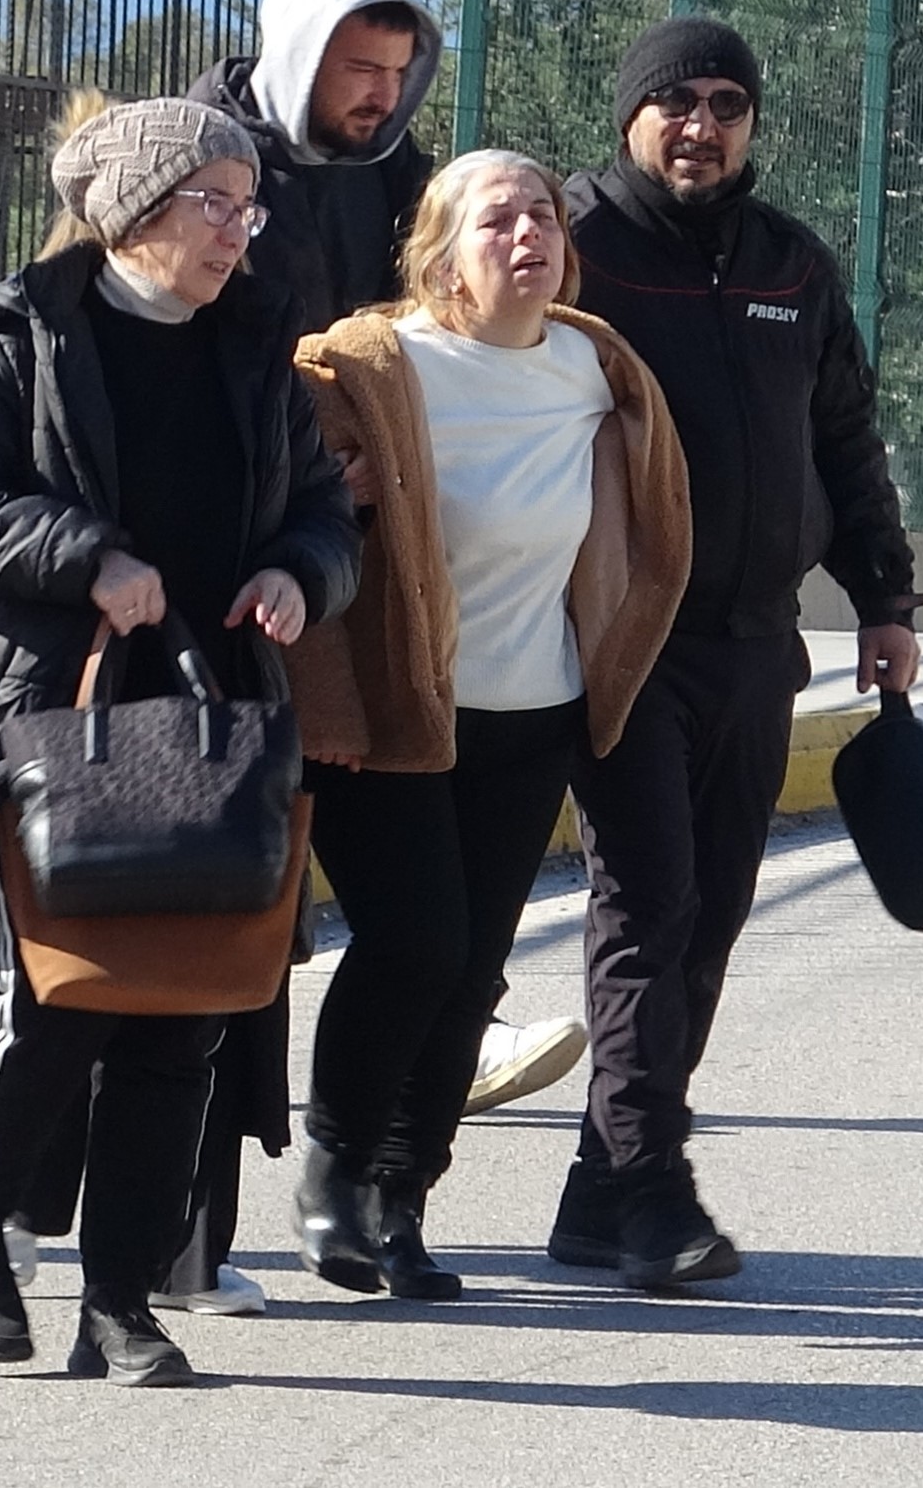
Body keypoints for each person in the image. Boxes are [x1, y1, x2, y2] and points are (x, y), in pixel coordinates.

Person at [0, 96, 359, 1386]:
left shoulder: (255, 348)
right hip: (47, 723)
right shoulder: (19, 340)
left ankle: (120, 1301)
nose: (238, 232)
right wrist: (87, 555)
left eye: (248, 207)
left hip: (210, 728)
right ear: (136, 212)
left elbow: (326, 512)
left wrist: (299, 574)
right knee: (51, 993)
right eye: (214, 204)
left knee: (181, 1018)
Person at [552, 15, 923, 1290]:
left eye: (726, 103)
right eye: (677, 102)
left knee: (708, 916)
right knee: (648, 905)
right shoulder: (577, 247)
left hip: (759, 645)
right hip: (624, 643)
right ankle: (655, 1189)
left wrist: (885, 600)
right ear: (631, 117)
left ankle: (600, 1185)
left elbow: (845, 440)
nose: (701, 126)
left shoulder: (792, 264)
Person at [283, 151, 690, 1299]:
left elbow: (647, 520)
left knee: (469, 974)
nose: (530, 234)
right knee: (415, 944)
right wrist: (326, 686)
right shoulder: (372, 366)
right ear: (442, 253)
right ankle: (333, 1170)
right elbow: (285, 509)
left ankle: (400, 1201)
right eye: (498, 218)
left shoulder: (595, 367)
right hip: (399, 716)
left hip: (533, 714)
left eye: (545, 215)